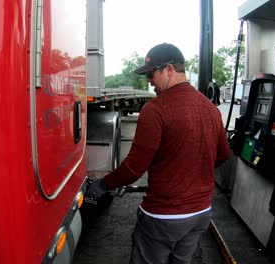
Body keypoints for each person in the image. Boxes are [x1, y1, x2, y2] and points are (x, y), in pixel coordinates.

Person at [87, 43, 230, 264]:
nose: (148, 81)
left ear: (169, 69)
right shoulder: (210, 109)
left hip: (163, 217)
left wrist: (104, 184)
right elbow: (222, 155)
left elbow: (134, 167)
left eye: (151, 74)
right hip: (200, 214)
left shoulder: (156, 110)